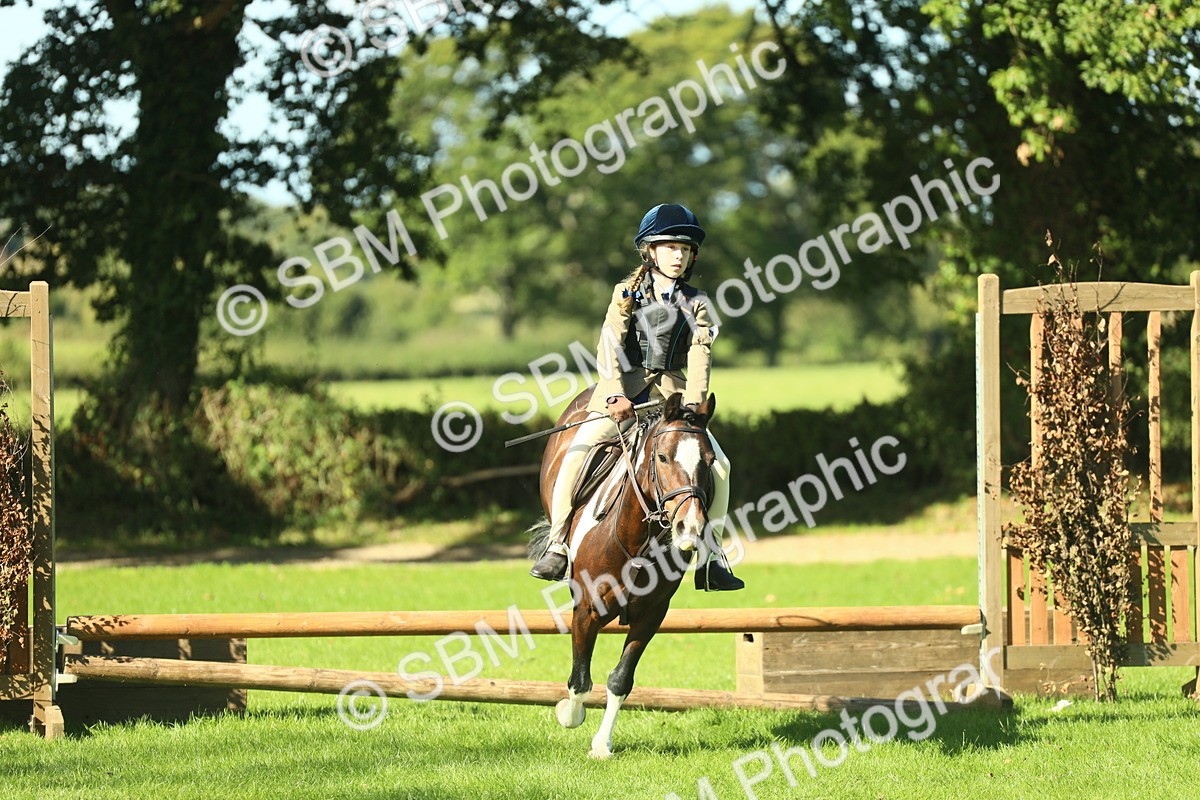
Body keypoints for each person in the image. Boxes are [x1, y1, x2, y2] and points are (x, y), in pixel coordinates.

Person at [530, 203, 743, 591]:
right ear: (650, 251)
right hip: (623, 389)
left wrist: (693, 405)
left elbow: (700, 353)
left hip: (674, 400)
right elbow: (608, 345)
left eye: (685, 249)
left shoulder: (698, 302)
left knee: (721, 466)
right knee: (579, 448)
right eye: (670, 247)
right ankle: (558, 543)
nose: (678, 255)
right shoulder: (626, 294)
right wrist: (612, 396)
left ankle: (711, 559)